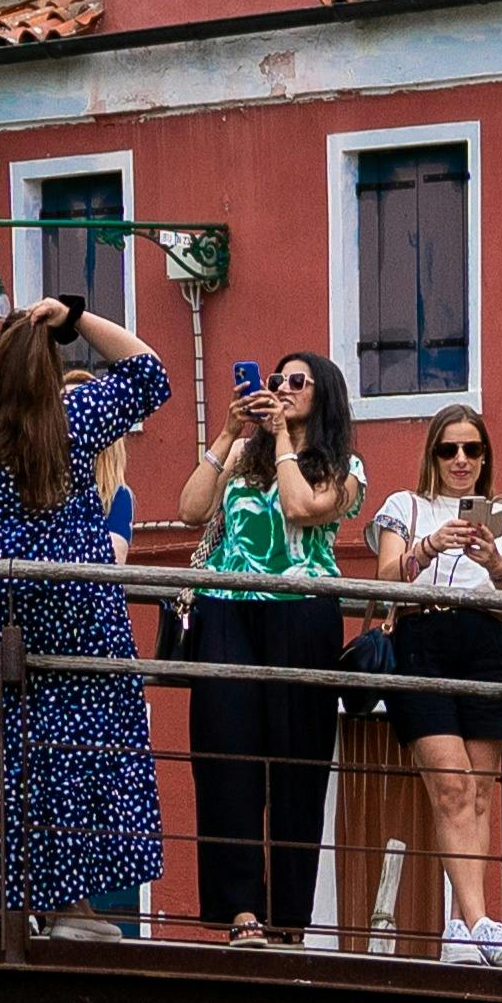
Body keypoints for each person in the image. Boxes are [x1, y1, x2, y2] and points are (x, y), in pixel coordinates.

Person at [0, 295, 170, 931]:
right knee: (70, 751)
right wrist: (73, 320)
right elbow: (150, 371)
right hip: (71, 622)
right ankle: (73, 905)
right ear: (48, 373)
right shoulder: (71, 427)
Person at [175, 350, 364, 946]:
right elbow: (189, 510)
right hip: (228, 611)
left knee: (297, 768)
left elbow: (302, 506)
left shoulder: (345, 465)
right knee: (225, 759)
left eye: (296, 381)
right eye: (276, 380)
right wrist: (230, 433)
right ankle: (241, 914)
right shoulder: (242, 452)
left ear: (323, 393)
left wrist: (281, 438)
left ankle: (287, 919)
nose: (281, 388)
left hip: (303, 615)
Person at [364, 402, 502, 963]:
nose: (461, 460)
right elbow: (386, 580)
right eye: (449, 449)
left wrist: (494, 564)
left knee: (479, 793)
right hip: (424, 639)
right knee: (452, 785)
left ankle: (464, 929)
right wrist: (428, 547)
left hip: (486, 645)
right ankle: (478, 922)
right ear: (433, 455)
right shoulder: (403, 507)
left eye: (472, 449)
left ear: (485, 458)